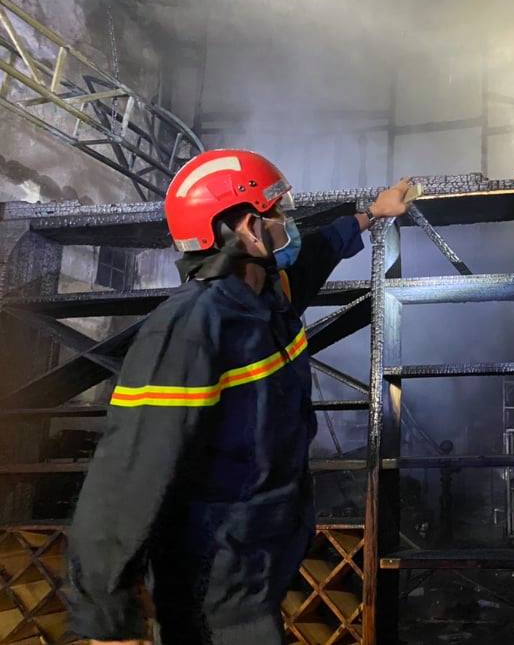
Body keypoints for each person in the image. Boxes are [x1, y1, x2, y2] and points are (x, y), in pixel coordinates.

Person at [67, 149, 410, 645]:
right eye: (278, 213)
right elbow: (129, 470)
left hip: (255, 561)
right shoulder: (191, 326)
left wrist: (372, 213)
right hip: (212, 575)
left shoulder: (265, 296)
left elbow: (317, 251)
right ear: (249, 228)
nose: (288, 224)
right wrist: (105, 615)